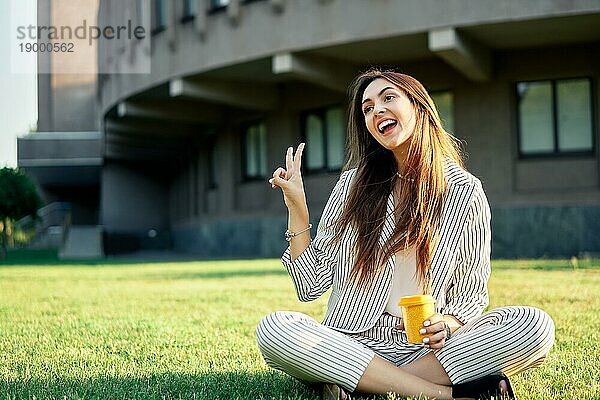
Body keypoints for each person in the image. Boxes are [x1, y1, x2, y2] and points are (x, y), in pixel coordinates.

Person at [255, 68, 555, 400]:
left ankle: (361, 385)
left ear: (419, 107)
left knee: (534, 325)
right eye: (367, 108)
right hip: (351, 343)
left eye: (388, 98)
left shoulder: (464, 191)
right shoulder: (352, 185)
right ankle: (448, 394)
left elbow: (470, 297)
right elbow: (310, 285)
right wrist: (297, 206)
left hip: (426, 351)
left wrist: (449, 325)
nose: (376, 111)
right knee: (275, 329)